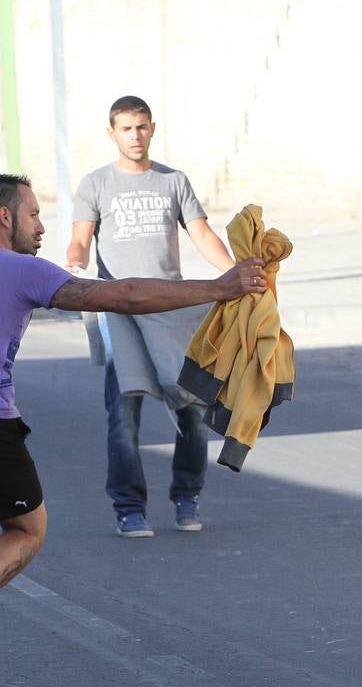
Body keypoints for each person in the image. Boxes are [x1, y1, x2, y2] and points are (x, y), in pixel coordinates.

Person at [1, 173, 265, 589]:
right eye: (33, 214)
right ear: (3, 217)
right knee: (26, 529)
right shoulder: (22, 270)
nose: (40, 226)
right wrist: (218, 288)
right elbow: (124, 296)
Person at [66, 95, 238, 538]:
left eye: (142, 126)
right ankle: (129, 508)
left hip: (173, 309)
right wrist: (74, 264)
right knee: (124, 416)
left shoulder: (173, 181)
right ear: (112, 133)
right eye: (126, 128)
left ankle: (187, 495)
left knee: (194, 411)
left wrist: (236, 275)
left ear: (152, 129)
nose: (135, 135)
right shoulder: (95, 184)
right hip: (120, 311)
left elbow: (201, 234)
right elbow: (81, 239)